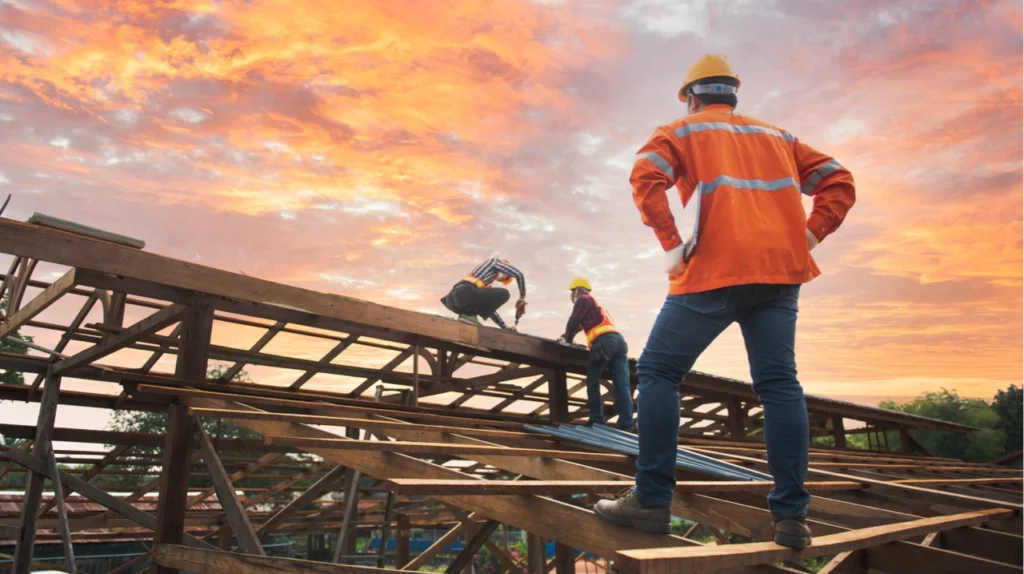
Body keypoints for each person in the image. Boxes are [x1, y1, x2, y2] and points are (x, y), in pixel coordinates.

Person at [593, 54, 855, 548]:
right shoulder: (778, 137)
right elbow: (840, 181)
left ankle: (650, 500)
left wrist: (671, 246)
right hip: (780, 274)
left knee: (658, 373)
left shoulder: (682, 131)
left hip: (715, 271)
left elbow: (645, 178)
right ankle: (792, 517)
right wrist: (809, 237)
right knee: (779, 384)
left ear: (692, 97)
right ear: (733, 95)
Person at [558, 277, 634, 431]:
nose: (573, 295)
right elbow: (578, 325)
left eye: (573, 292)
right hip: (619, 343)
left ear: (578, 290)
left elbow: (574, 320)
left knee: (593, 381)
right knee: (622, 385)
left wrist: (566, 339)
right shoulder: (597, 307)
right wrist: (567, 337)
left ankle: (597, 420)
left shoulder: (584, 299)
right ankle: (626, 425)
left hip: (604, 342)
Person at [440, 257, 527, 330]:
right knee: (504, 294)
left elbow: (490, 309)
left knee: (488, 298)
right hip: (464, 294)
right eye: (505, 278)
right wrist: (522, 298)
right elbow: (519, 274)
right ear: (505, 270)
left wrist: (504, 327)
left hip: (452, 300)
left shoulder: (484, 282)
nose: (501, 281)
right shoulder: (495, 262)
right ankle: (469, 316)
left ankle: (466, 316)